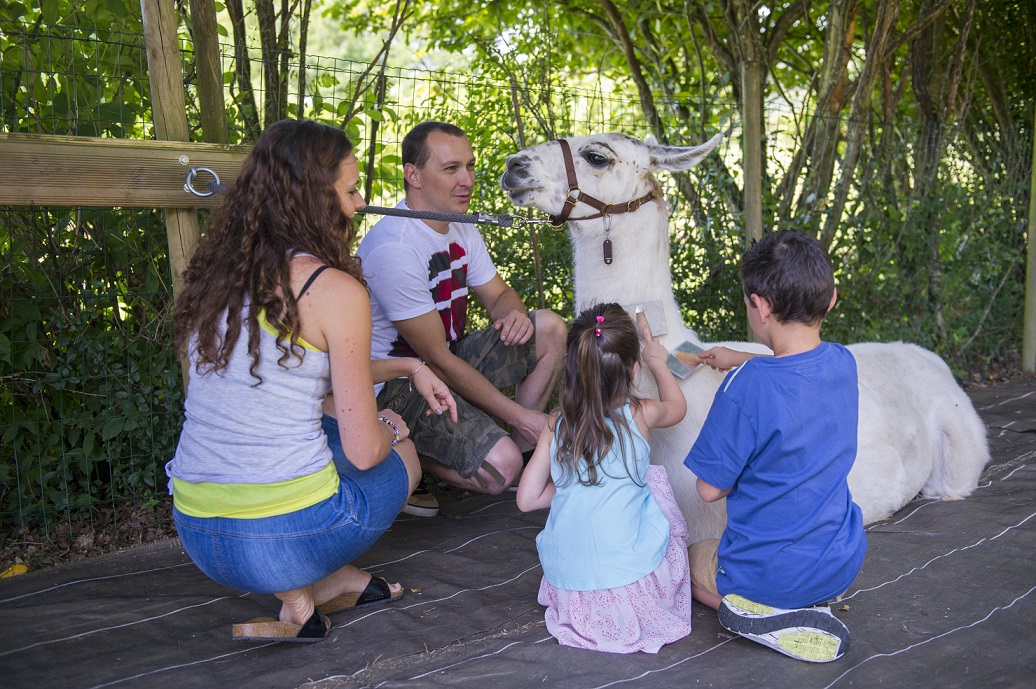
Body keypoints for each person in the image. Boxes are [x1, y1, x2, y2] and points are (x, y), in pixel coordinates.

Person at [166, 119, 456, 643]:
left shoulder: (219, 277)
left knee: (321, 419)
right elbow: (367, 453)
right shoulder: (335, 289)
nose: (361, 203)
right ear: (313, 200)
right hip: (278, 545)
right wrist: (393, 428)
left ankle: (315, 589)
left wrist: (409, 366)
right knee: (400, 454)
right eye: (349, 190)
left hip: (198, 533)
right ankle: (309, 574)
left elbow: (304, 375)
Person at [354, 121, 568, 508]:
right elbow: (436, 359)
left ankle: (526, 455)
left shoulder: (460, 226)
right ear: (413, 175)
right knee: (498, 469)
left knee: (549, 327)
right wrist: (519, 415)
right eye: (451, 169)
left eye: (470, 167)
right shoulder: (395, 247)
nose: (467, 180)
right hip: (398, 386)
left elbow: (499, 294)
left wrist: (514, 313)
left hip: (445, 361)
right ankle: (407, 452)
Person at [682, 229, 867, 663]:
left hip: (766, 576)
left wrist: (740, 373)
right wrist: (740, 357)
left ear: (760, 306)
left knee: (684, 559)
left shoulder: (745, 387)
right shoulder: (843, 361)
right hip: (842, 562)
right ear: (831, 299)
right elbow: (795, 372)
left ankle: (756, 613)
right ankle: (802, 602)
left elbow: (708, 489)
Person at [516, 303, 692, 654]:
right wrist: (659, 364)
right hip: (632, 586)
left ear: (572, 369)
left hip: (572, 590)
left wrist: (572, 485)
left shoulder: (556, 424)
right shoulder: (641, 414)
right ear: (633, 368)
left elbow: (526, 500)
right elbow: (678, 407)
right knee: (652, 480)